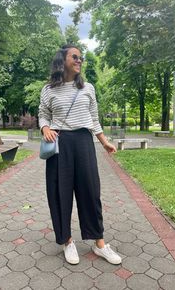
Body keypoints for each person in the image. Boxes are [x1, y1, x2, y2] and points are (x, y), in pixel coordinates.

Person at [39, 44, 122, 265]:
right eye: (74, 56)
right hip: (59, 143)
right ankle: (67, 241)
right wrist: (45, 128)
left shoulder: (88, 88)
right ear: (62, 60)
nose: (79, 60)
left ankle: (99, 244)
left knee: (91, 192)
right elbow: (43, 114)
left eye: (81, 57)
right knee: (60, 194)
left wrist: (104, 143)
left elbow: (94, 119)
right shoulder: (49, 89)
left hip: (84, 142)